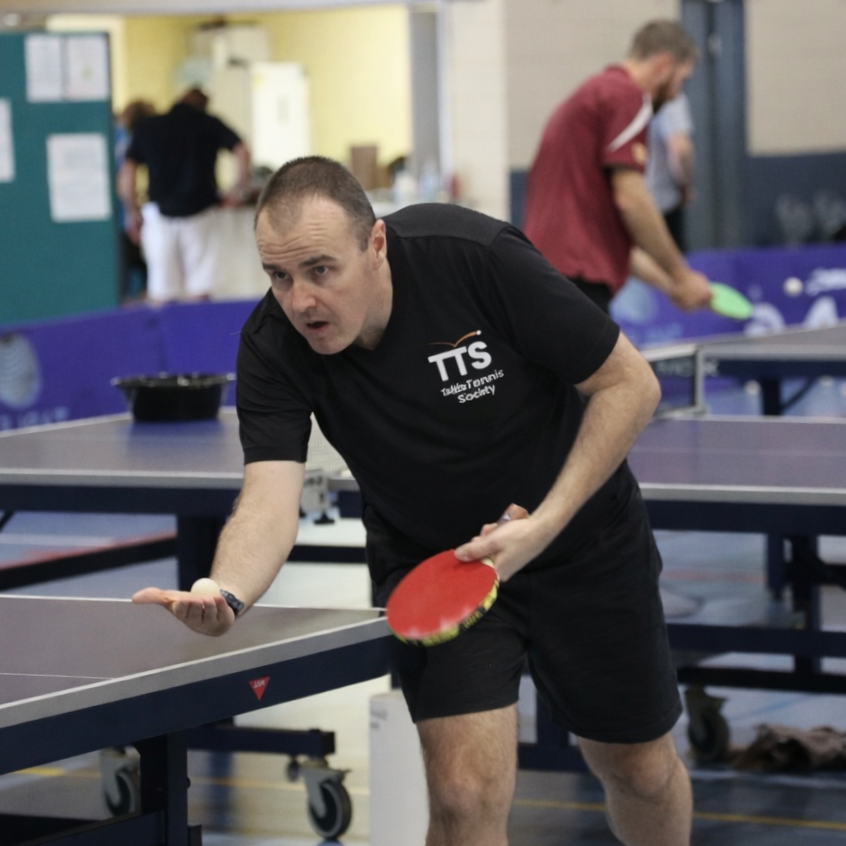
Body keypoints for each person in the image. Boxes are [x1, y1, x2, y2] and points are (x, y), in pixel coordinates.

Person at [133, 156, 692, 846]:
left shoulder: (474, 258)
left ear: (375, 245)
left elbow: (629, 383)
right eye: (278, 276)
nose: (300, 299)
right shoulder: (274, 345)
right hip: (439, 565)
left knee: (635, 767)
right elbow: (268, 500)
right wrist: (227, 592)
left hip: (579, 542)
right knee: (461, 797)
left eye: (320, 270)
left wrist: (544, 525)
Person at [522, 19, 712, 315]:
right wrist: (682, 274)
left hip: (549, 275)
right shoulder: (626, 96)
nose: (676, 95)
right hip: (576, 279)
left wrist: (671, 285)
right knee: (629, 364)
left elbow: (613, 236)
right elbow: (632, 201)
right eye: (681, 80)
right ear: (663, 65)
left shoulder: (596, 94)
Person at [117, 87, 251, 303]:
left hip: (160, 216)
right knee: (200, 289)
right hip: (201, 214)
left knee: (162, 292)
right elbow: (242, 150)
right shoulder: (208, 123)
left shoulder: (150, 127)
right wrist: (239, 190)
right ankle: (200, 335)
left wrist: (131, 211)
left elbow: (128, 171)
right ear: (204, 104)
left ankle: (165, 336)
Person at [114, 99, 157, 302]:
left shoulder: (118, 137)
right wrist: (133, 211)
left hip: (121, 215)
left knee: (134, 266)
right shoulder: (127, 141)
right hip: (122, 216)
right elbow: (125, 181)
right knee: (137, 267)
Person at [646, 91, 695, 251]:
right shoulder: (670, 96)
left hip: (631, 206)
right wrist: (684, 185)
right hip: (661, 206)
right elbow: (680, 149)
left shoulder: (624, 94)